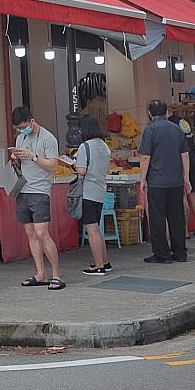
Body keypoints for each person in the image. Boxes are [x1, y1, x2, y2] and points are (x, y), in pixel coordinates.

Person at [10, 106, 64, 287]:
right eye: (18, 128)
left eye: (23, 127)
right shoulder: (20, 138)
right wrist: (16, 157)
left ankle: (57, 274)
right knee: (30, 232)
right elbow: (20, 162)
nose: (21, 130)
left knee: (42, 232)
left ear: (32, 121)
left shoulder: (48, 138)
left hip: (40, 190)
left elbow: (53, 165)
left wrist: (33, 156)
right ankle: (41, 273)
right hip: (23, 189)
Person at [138, 100, 190, 264]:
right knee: (177, 217)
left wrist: (142, 179)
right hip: (176, 180)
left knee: (157, 218)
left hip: (157, 181)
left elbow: (145, 157)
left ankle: (162, 254)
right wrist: (186, 177)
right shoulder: (177, 129)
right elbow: (185, 155)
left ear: (150, 113)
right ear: (166, 112)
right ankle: (180, 252)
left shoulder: (150, 130)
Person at [74, 116, 114, 273]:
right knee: (97, 229)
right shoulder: (104, 146)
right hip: (100, 191)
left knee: (92, 231)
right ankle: (105, 262)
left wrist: (73, 163)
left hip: (88, 192)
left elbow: (81, 170)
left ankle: (98, 266)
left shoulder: (85, 146)